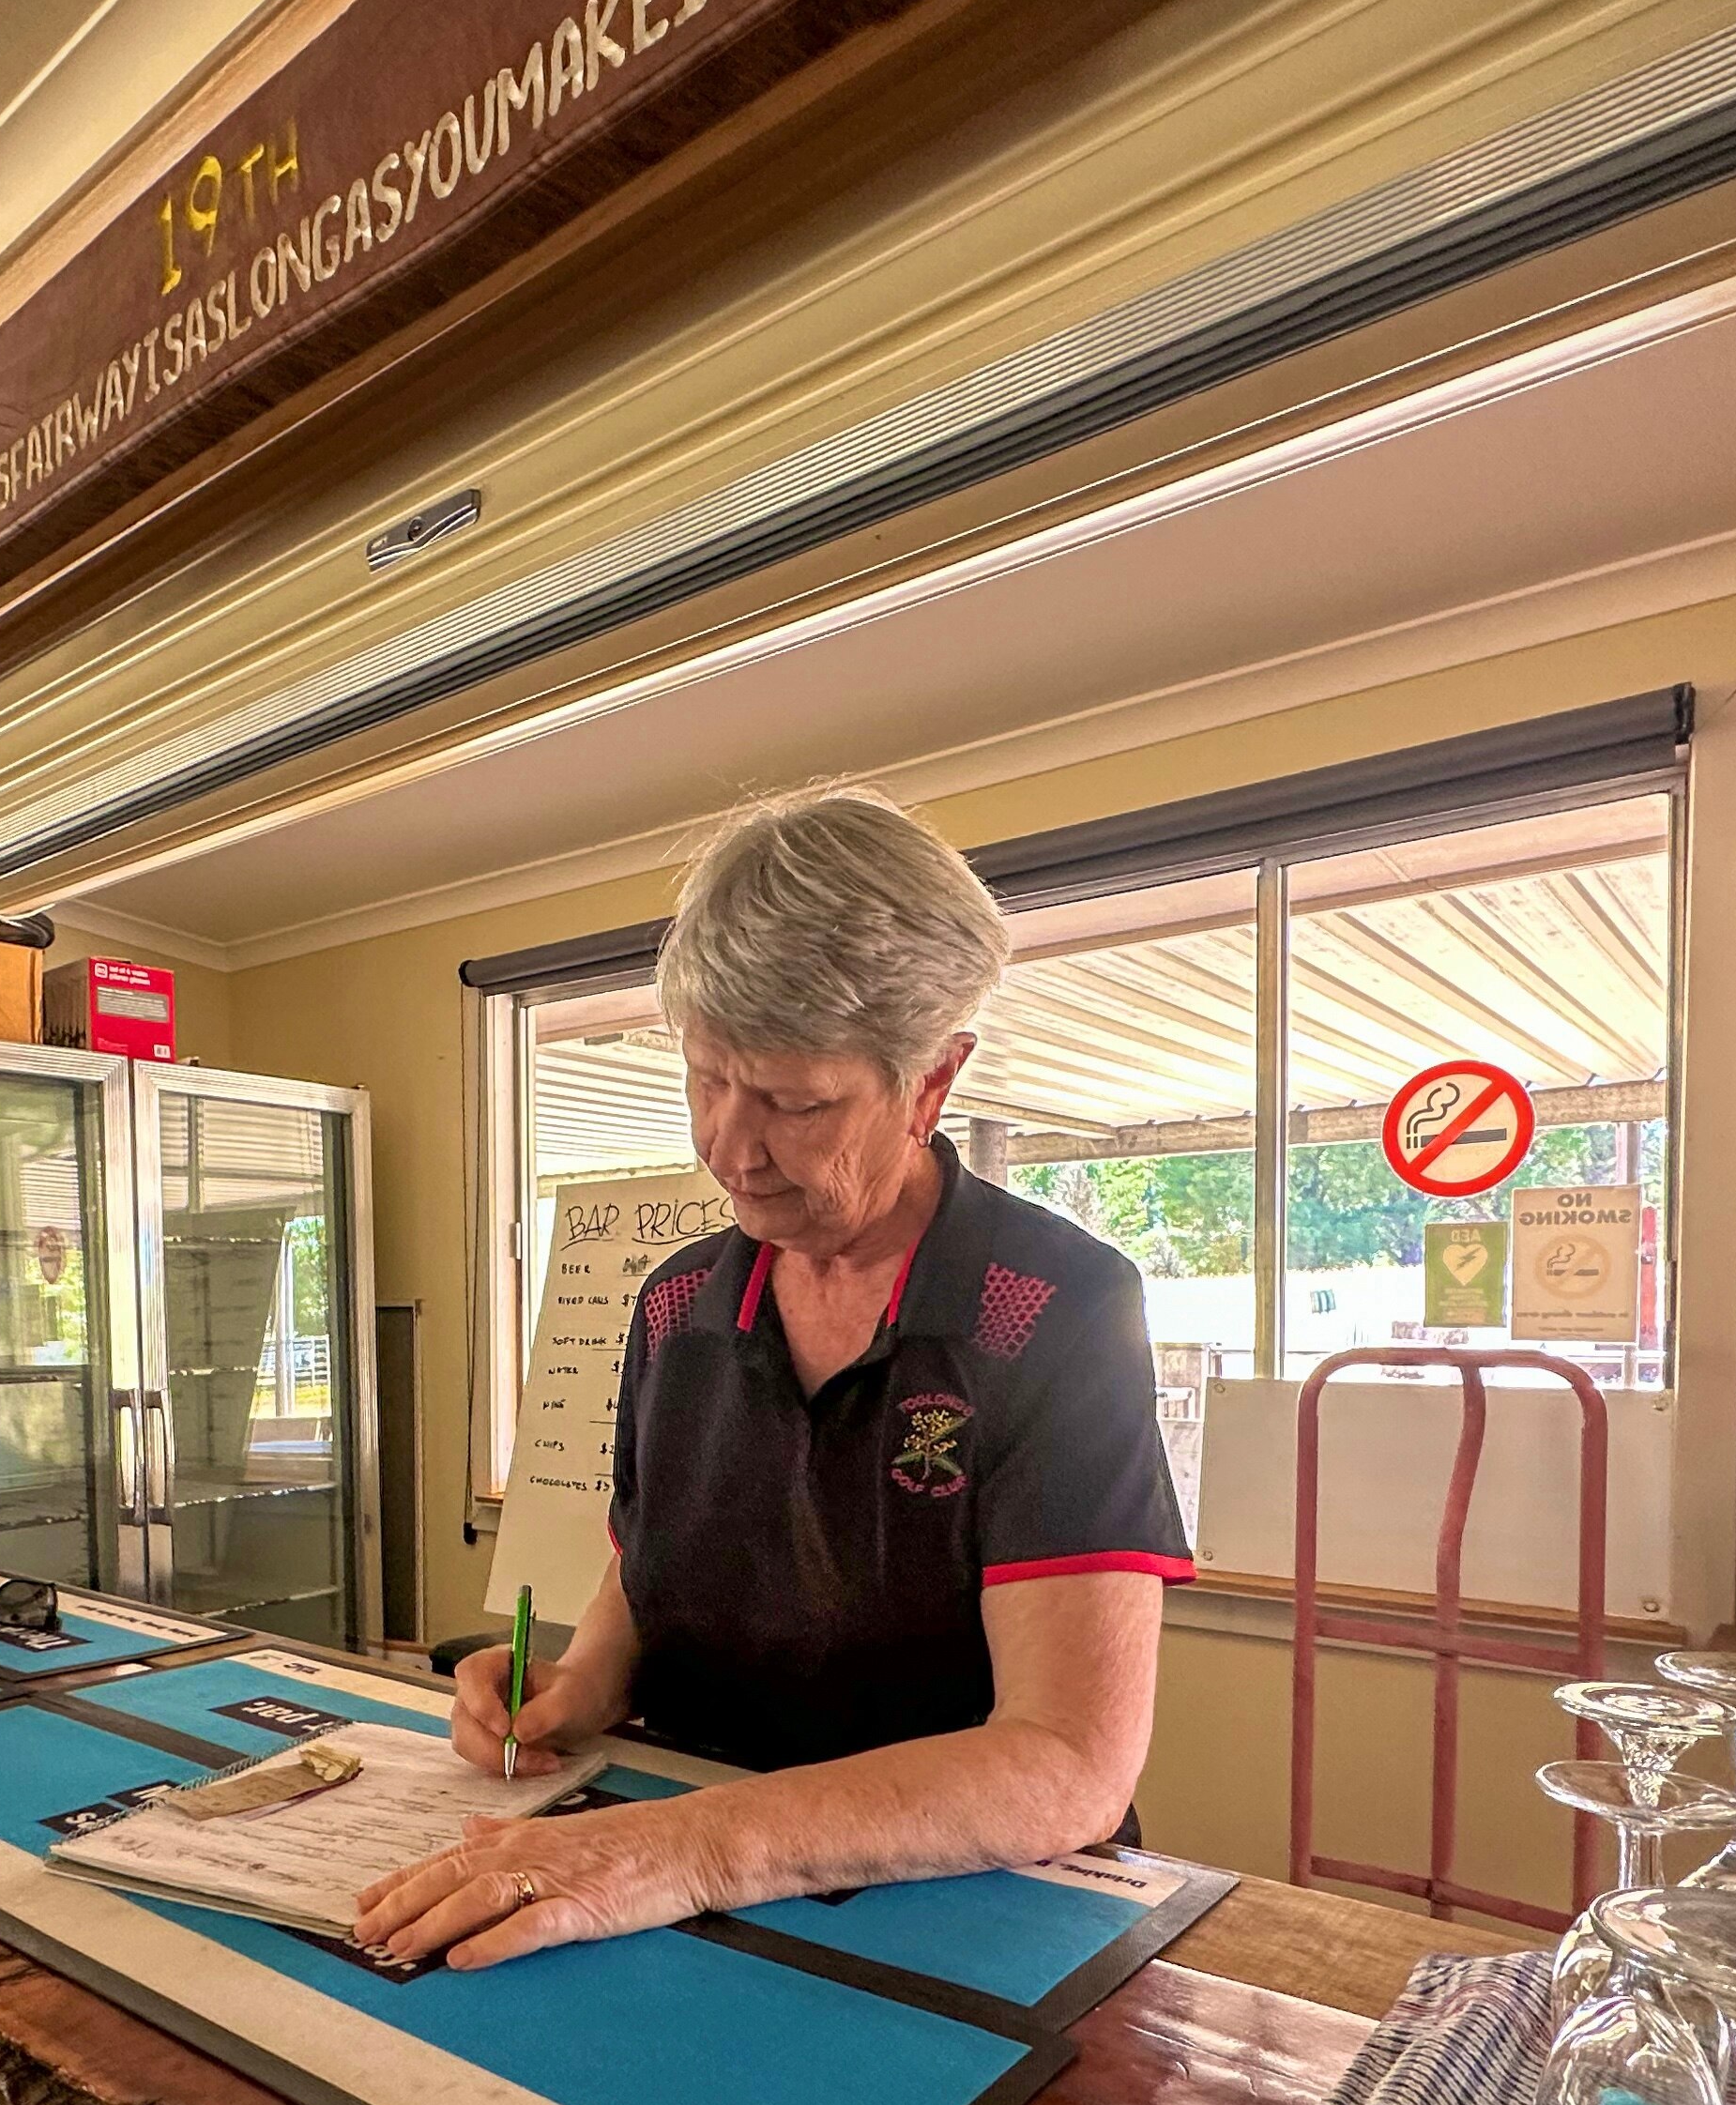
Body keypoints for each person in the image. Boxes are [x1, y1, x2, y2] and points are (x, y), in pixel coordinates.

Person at [357, 787, 1193, 1972]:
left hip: (967, 1918)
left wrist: (685, 1850)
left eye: (797, 1103)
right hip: (680, 1883)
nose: (731, 1148)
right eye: (706, 1079)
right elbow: (649, 1567)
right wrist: (581, 1685)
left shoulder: (1057, 1310)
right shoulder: (678, 1304)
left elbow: (1069, 1764)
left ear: (932, 1083)